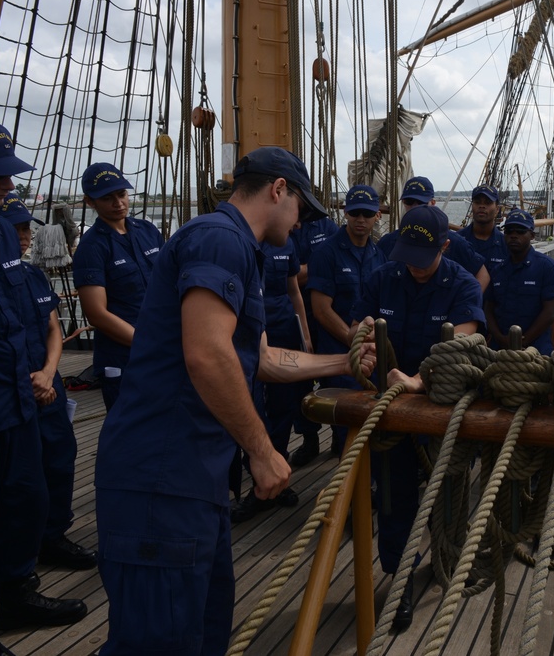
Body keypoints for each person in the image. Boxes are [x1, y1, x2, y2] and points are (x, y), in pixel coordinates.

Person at [93, 146, 375, 655]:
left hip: (194, 484)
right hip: (162, 481)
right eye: (302, 211)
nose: (302, 224)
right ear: (278, 190)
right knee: (159, 641)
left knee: (202, 631)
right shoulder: (221, 240)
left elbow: (261, 359)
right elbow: (206, 354)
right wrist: (264, 450)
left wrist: (344, 363)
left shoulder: (236, 247)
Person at [0, 117, 87, 655]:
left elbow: (21, 319)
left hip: (18, 398)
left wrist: (42, 374)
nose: (8, 184)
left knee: (25, 500)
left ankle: (16, 592)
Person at [350, 203, 484, 631]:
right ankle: (402, 575)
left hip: (443, 408)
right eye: (407, 256)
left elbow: (463, 343)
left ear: (445, 246)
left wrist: (416, 380)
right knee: (394, 495)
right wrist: (364, 344)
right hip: (391, 409)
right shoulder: (382, 278)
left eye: (423, 259)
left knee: (449, 487)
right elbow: (360, 327)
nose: (414, 268)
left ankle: (450, 557)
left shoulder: (462, 286)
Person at [0, 192, 97, 570]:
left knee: (59, 460)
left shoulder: (33, 276)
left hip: (47, 386)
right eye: (15, 228)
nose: (25, 236)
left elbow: (53, 327)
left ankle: (52, 536)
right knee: (18, 479)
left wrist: (49, 371)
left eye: (26, 228)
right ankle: (14, 553)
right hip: (11, 392)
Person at [229, 218, 317, 523]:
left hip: (283, 328)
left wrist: (304, 332)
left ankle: (276, 483)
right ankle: (254, 479)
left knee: (283, 408)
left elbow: (294, 291)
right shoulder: (242, 244)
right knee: (251, 406)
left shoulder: (286, 243)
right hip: (249, 335)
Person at [72, 162, 164, 410]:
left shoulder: (147, 231)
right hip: (125, 356)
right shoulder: (91, 248)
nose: (118, 203)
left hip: (162, 346)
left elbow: (170, 284)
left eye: (122, 194)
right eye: (108, 198)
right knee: (128, 429)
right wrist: (147, 343)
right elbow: (97, 314)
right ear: (90, 202)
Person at [307, 184, 385, 455]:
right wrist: (351, 339)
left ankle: (368, 487)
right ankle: (349, 490)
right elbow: (321, 309)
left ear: (378, 216)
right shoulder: (326, 254)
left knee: (372, 420)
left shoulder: (379, 256)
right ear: (345, 214)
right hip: (339, 355)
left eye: (367, 214)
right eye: (355, 214)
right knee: (345, 423)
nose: (361, 220)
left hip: (371, 355)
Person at [286, 213, 340, 467]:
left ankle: (340, 436)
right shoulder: (282, 226)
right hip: (294, 315)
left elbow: (335, 264)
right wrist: (315, 268)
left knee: (334, 374)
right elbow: (285, 277)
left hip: (328, 312)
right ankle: (309, 438)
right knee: (298, 380)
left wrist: (301, 271)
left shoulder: (325, 225)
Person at [378, 176, 490, 291]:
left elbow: (482, 275)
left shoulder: (455, 242)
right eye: (409, 202)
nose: (415, 207)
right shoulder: (388, 242)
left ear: (433, 203)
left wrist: (466, 302)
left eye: (421, 202)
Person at [483, 208, 554, 354]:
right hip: (500, 351)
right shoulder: (497, 270)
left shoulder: (547, 267)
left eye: (520, 231)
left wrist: (522, 341)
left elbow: (551, 312)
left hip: (536, 351)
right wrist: (500, 338)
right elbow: (489, 308)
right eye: (509, 231)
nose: (514, 236)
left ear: (532, 235)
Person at [457, 184, 508, 274]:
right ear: (472, 206)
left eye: (488, 203)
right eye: (477, 202)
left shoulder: (506, 246)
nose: (482, 206)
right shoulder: (457, 241)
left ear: (497, 209)